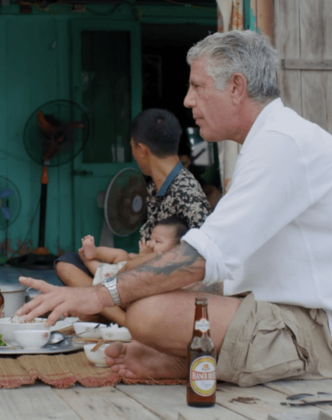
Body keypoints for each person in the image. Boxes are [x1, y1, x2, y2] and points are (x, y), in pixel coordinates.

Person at [17, 30, 332, 387]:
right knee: (151, 296)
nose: (187, 100)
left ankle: (189, 362)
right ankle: (189, 360)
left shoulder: (281, 145)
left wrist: (96, 295)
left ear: (236, 87)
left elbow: (200, 258)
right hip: (270, 311)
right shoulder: (269, 140)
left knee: (149, 313)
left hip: (310, 330)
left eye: (197, 86)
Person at [55, 108, 209, 326]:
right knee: (67, 263)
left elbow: (197, 259)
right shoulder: (155, 187)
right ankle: (110, 311)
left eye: (132, 149)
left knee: (94, 297)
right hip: (136, 268)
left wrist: (134, 265)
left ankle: (123, 320)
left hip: (164, 280)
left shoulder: (187, 192)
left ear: (142, 150)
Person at [79, 216, 188, 286]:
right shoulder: (153, 254)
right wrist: (141, 255)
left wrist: (143, 257)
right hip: (123, 268)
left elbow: (134, 267)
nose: (150, 243)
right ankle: (94, 252)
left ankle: (88, 261)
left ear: (177, 248)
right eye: (151, 239)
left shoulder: (162, 258)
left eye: (158, 241)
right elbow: (131, 258)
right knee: (122, 254)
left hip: (117, 278)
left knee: (106, 268)